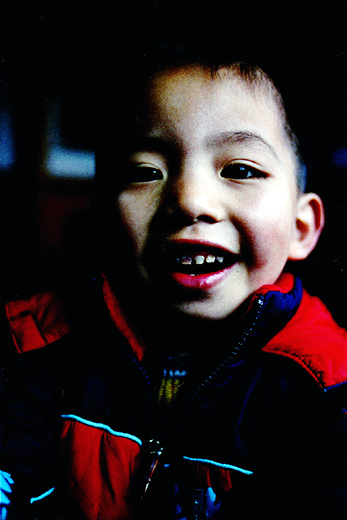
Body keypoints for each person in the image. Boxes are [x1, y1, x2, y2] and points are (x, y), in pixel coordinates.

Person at [1, 50, 347, 520]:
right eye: (146, 172)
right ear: (104, 217)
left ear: (301, 227)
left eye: (240, 169)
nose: (190, 201)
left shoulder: (327, 392)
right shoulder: (33, 346)